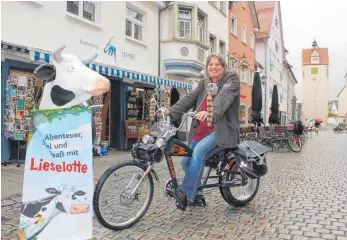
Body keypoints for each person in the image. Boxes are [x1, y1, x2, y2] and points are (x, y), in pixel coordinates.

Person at [169, 53, 240, 206]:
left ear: (223, 66)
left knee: (199, 152)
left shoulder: (231, 79)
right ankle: (198, 193)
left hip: (222, 130)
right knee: (185, 161)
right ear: (207, 67)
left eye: (217, 64)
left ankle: (187, 195)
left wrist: (210, 112)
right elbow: (189, 98)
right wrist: (172, 112)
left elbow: (223, 99)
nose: (213, 67)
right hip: (201, 131)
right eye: (210, 64)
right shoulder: (204, 83)